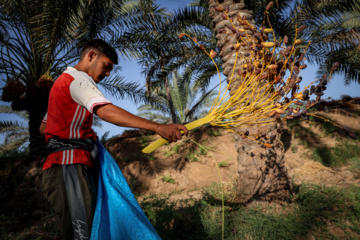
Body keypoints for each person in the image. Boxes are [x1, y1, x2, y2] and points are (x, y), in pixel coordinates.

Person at [40, 39, 188, 239]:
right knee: (83, 234)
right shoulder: (78, 79)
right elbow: (106, 111)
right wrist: (158, 127)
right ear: (91, 56)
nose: (108, 74)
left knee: (85, 230)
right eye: (106, 66)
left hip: (61, 166)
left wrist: (71, 134)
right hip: (70, 164)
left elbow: (43, 127)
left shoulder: (60, 84)